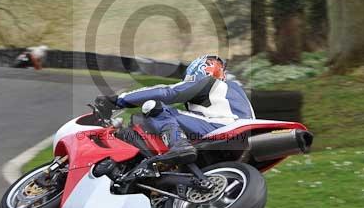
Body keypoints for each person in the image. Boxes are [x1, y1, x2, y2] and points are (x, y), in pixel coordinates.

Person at [95, 54, 254, 164]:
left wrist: (118, 100)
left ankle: (178, 145)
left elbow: (167, 92)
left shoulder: (208, 82)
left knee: (156, 108)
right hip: (241, 141)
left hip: (224, 128)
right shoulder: (234, 92)